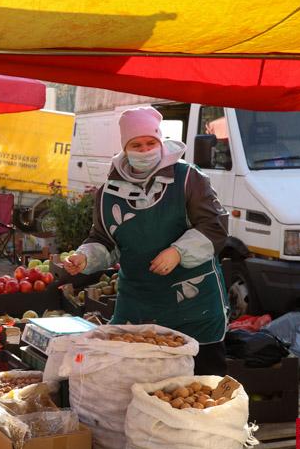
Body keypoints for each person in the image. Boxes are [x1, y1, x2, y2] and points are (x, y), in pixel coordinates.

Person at [64, 106, 230, 375]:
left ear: (160, 142)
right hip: (139, 303)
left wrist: (178, 251)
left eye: (150, 143)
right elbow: (104, 239)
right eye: (136, 145)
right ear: (125, 148)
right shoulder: (108, 192)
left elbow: (215, 226)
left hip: (192, 304)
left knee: (201, 382)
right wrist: (85, 257)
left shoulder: (188, 179)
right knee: (137, 378)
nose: (144, 150)